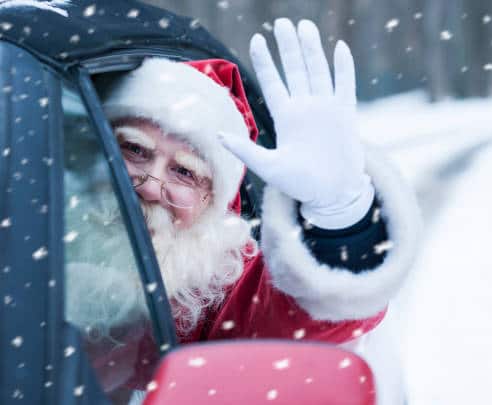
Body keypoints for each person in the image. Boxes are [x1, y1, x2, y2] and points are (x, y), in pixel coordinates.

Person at [71, 18, 421, 403]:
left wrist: (339, 218)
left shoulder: (216, 283)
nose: (152, 187)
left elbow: (297, 320)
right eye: (134, 149)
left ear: (212, 204)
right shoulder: (27, 213)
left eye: (184, 172)